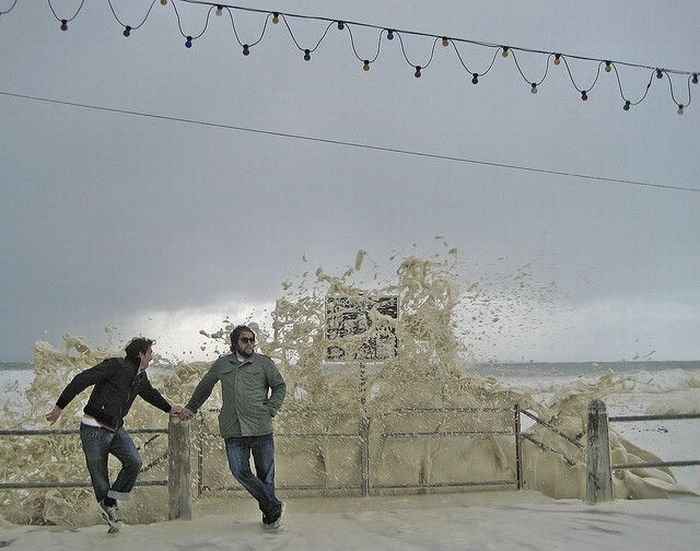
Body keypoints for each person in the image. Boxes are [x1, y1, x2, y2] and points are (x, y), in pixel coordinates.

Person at [45, 337, 182, 533]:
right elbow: (81, 379)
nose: (152, 357)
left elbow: (151, 394)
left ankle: (110, 502)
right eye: (150, 353)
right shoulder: (116, 366)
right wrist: (59, 406)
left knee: (134, 462)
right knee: (100, 479)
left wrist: (169, 408)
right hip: (93, 428)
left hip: (116, 428)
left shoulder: (140, 377)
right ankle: (111, 514)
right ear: (140, 354)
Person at [179, 325, 287, 529]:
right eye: (245, 340)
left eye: (252, 340)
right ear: (235, 343)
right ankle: (274, 506)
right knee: (239, 470)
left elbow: (280, 386)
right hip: (234, 427)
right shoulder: (222, 364)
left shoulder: (264, 363)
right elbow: (205, 387)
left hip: (261, 426)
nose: (250, 344)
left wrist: (271, 409)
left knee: (266, 475)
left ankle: (270, 517)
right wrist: (191, 408)